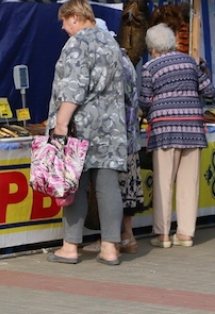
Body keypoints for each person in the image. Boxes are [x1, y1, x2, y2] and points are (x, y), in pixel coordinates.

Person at [46, 0, 127, 266]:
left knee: (74, 186)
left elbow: (73, 89)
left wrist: (60, 125)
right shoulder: (110, 43)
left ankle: (70, 246)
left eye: (64, 21)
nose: (62, 28)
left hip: (80, 127)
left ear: (75, 18)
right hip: (111, 127)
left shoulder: (77, 44)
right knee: (107, 187)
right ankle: (110, 248)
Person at [139, 23, 215, 248]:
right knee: (188, 182)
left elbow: (143, 100)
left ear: (152, 47)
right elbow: (210, 91)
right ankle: (185, 234)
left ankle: (162, 235)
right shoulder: (190, 62)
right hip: (192, 127)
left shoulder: (150, 67)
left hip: (164, 129)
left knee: (164, 182)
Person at [82, 18, 143, 255]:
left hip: (114, 136)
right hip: (128, 133)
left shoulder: (109, 61)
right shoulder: (124, 59)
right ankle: (127, 236)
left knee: (110, 190)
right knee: (124, 189)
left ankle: (113, 239)